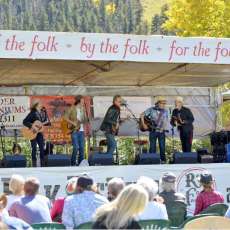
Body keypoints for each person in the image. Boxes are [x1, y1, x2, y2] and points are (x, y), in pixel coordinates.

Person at [141, 96, 168, 163]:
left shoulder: (165, 111)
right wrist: (143, 124)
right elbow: (142, 115)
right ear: (158, 103)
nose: (164, 105)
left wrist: (163, 128)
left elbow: (166, 121)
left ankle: (163, 161)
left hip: (161, 131)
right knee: (152, 147)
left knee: (162, 146)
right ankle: (152, 160)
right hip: (152, 131)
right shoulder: (151, 109)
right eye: (162, 103)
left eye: (164, 103)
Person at [64, 95, 88, 166]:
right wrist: (73, 123)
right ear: (79, 101)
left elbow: (84, 120)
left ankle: (81, 164)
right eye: (82, 100)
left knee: (82, 148)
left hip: (81, 131)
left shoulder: (83, 109)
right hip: (74, 130)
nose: (83, 102)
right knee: (76, 147)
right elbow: (65, 117)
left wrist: (86, 119)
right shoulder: (72, 108)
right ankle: (73, 163)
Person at [23, 100, 46, 167]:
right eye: (40, 103)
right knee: (34, 148)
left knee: (42, 147)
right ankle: (34, 164)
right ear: (37, 105)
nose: (41, 104)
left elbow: (39, 124)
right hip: (32, 133)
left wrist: (40, 126)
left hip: (39, 133)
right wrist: (32, 126)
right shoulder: (33, 113)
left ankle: (43, 164)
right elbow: (25, 122)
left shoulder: (40, 113)